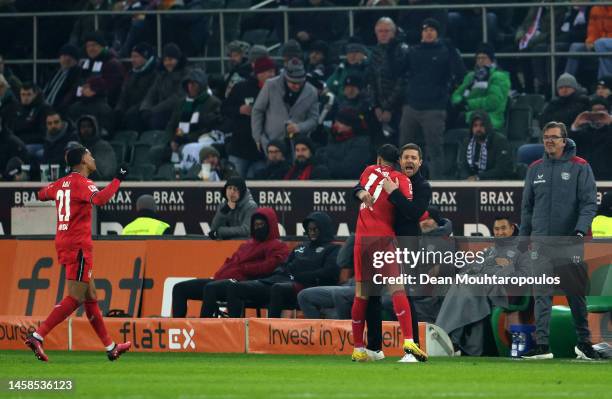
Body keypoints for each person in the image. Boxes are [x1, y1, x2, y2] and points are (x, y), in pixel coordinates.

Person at [24, 145, 130, 362]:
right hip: (78, 246)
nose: (93, 159)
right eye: (90, 155)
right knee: (76, 296)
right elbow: (100, 199)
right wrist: (118, 179)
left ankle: (111, 347)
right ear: (82, 160)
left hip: (63, 241)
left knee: (91, 297)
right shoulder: (82, 183)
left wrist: (59, 192)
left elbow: (42, 194)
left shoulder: (62, 183)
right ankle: (38, 335)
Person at [519, 121, 599, 360]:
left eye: (554, 137)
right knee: (541, 295)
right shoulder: (534, 169)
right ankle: (542, 346)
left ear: (564, 141)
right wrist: (524, 240)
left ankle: (584, 343)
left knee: (576, 295)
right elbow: (527, 209)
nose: (549, 141)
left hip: (570, 242)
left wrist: (579, 231)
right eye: (546, 137)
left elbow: (589, 204)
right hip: (541, 243)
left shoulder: (580, 167)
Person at [350, 144, 427, 363]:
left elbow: (358, 187)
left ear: (378, 158)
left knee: (362, 295)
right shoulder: (401, 179)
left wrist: (361, 192)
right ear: (398, 161)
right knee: (398, 291)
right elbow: (410, 210)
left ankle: (358, 348)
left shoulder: (367, 171)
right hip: (384, 240)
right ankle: (409, 341)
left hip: (362, 241)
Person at [172, 207, 288, 317]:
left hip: (243, 283)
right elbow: (233, 263)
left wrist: (244, 268)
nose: (258, 228)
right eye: (255, 225)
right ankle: (177, 328)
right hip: (222, 279)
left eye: (261, 225)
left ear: (270, 225)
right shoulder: (247, 244)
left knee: (211, 288)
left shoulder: (278, 245)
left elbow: (270, 267)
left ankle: (203, 328)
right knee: (179, 288)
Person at [225, 211, 340, 318]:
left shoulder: (333, 248)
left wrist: (301, 275)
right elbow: (284, 265)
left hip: (303, 284)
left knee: (277, 288)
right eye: (309, 229)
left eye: (316, 229)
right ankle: (232, 330)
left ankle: (269, 329)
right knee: (235, 287)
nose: (312, 232)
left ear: (324, 229)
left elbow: (329, 273)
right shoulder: (301, 247)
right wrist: (278, 273)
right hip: (278, 279)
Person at [436, 216, 521, 356]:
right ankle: (455, 341)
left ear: (512, 229)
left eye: (503, 228)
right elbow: (474, 267)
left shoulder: (519, 249)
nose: (499, 232)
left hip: (502, 292)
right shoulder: (491, 251)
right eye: (496, 229)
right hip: (482, 288)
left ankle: (448, 336)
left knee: (466, 286)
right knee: (461, 282)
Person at [399, 18, 466, 179]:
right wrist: (393, 49)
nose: (428, 32)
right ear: (421, 33)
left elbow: (461, 73)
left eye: (432, 30)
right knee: (405, 149)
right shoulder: (412, 51)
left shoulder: (445, 51)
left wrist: (452, 51)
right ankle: (403, 184)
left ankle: (438, 186)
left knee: (435, 150)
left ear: (437, 33)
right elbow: (398, 71)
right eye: (425, 30)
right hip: (412, 106)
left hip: (434, 108)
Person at [222, 56, 276, 178]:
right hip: (239, 148)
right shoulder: (241, 88)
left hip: (262, 151)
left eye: (273, 71)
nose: (272, 75)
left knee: (257, 188)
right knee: (234, 186)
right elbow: (224, 108)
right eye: (269, 71)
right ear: (259, 73)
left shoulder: (277, 90)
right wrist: (239, 110)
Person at [251, 58, 319, 154]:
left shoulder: (312, 92)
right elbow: (257, 110)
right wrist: (258, 137)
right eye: (293, 83)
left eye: (300, 82)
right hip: (271, 144)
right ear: (286, 78)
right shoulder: (270, 85)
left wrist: (299, 127)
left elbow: (314, 120)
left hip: (297, 147)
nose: (297, 86)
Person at [451, 43, 511, 130]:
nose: (481, 61)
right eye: (478, 58)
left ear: (491, 60)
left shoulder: (499, 76)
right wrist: (459, 102)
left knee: (457, 119)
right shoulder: (471, 76)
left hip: (490, 117)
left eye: (484, 58)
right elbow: (457, 94)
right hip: (469, 113)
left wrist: (467, 104)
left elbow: (493, 102)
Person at [366, 17, 408, 141]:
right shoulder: (374, 52)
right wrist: (375, 106)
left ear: (393, 32)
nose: (383, 34)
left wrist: (389, 108)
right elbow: (371, 80)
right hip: (378, 108)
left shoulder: (402, 50)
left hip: (399, 107)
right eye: (380, 31)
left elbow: (402, 81)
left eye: (387, 31)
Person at [297, 236, 357, 320]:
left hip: (370, 286)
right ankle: (318, 331)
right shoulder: (358, 237)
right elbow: (342, 262)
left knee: (339, 294)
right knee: (304, 296)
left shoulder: (378, 239)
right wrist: (354, 237)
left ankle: (347, 331)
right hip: (351, 284)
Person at [166, 68, 222, 146]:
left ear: (202, 84)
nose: (191, 86)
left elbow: (208, 129)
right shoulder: (181, 103)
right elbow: (171, 125)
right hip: (177, 142)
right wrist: (172, 141)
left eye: (194, 83)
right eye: (189, 83)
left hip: (199, 144)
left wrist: (185, 139)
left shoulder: (213, 103)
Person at [140, 43, 189, 130]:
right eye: (165, 60)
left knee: (157, 119)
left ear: (178, 59)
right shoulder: (161, 75)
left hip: (178, 111)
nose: (167, 63)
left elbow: (177, 97)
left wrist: (154, 110)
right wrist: (145, 108)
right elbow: (151, 93)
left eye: (170, 59)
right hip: (160, 109)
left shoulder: (186, 75)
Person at [315, 108, 372, 179]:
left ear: (350, 126)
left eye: (340, 122)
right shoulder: (334, 136)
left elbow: (347, 169)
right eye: (336, 121)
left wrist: (324, 159)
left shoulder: (361, 143)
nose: (336, 125)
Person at [457, 111, 514, 180]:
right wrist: (466, 178)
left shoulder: (500, 141)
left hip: (497, 184)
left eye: (482, 125)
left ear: (488, 126)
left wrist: (478, 177)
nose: (478, 129)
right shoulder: (467, 142)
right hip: (472, 183)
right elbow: (463, 167)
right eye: (475, 125)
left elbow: (502, 169)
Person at [114, 42, 158, 131]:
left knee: (132, 115)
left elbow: (151, 96)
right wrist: (119, 108)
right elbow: (124, 94)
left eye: (136, 56)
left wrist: (135, 108)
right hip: (129, 107)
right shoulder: (131, 73)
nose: (133, 60)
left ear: (146, 57)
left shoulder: (155, 74)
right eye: (132, 56)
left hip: (144, 109)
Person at [77, 31, 125, 107]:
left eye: (94, 45)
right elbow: (79, 83)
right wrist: (79, 95)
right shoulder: (86, 63)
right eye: (88, 46)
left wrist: (94, 91)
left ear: (102, 46)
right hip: (85, 101)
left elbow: (113, 88)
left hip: (103, 104)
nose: (90, 49)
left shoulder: (112, 63)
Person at [569, 96, 612, 180]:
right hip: (585, 176)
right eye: (594, 111)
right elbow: (567, 149)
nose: (598, 114)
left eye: (602, 110)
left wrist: (610, 123)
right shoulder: (582, 133)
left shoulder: (609, 131)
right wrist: (575, 126)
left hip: (608, 177)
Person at [565, 5, 612, 80]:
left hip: (605, 42)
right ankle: (567, 82)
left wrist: (599, 41)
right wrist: (590, 41)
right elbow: (592, 29)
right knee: (575, 47)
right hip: (598, 42)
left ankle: (606, 82)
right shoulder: (595, 9)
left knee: (601, 43)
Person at [12, 82, 52, 154]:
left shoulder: (44, 109)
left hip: (36, 143)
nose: (25, 98)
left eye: (29, 94)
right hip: (20, 142)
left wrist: (21, 140)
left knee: (24, 151)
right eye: (23, 95)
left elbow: (43, 134)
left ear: (35, 94)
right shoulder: (18, 109)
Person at [42, 44, 82, 115]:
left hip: (60, 111)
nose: (65, 59)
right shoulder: (55, 73)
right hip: (46, 109)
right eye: (63, 56)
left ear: (76, 61)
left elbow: (74, 94)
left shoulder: (78, 75)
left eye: (69, 57)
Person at [76, 115, 117, 181]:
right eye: (83, 127)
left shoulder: (103, 146)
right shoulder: (77, 147)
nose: (86, 129)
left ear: (95, 128)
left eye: (89, 126)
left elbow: (107, 174)